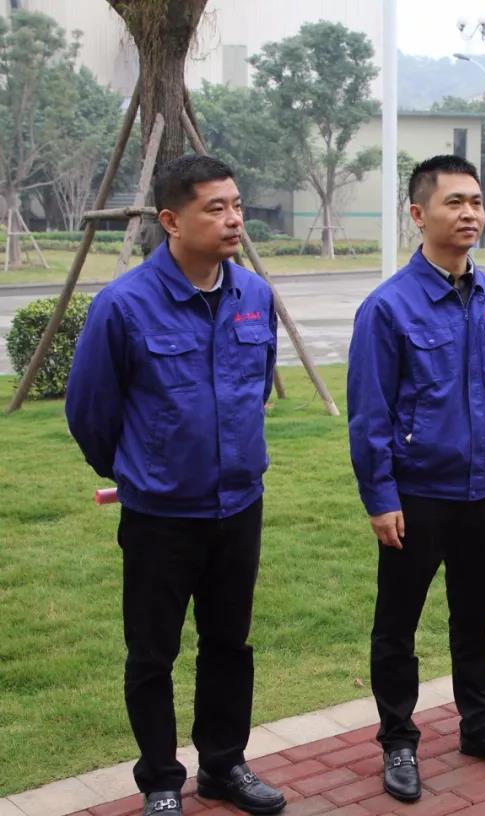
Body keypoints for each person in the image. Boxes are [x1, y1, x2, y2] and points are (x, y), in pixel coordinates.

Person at [66, 155, 285, 816]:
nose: (234, 219)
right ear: (171, 220)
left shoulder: (254, 296)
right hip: (160, 515)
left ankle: (223, 765)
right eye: (215, 208)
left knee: (229, 645)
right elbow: (90, 412)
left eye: (236, 205)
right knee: (152, 653)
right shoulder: (123, 305)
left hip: (238, 506)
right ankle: (161, 780)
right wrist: (140, 471)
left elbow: (258, 386)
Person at [347, 154, 485, 804]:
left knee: (476, 620)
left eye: (476, 202)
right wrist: (380, 497)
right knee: (397, 626)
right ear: (418, 213)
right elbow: (369, 414)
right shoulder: (388, 308)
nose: (469, 214)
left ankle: (480, 727)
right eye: (454, 202)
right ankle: (399, 742)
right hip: (417, 496)